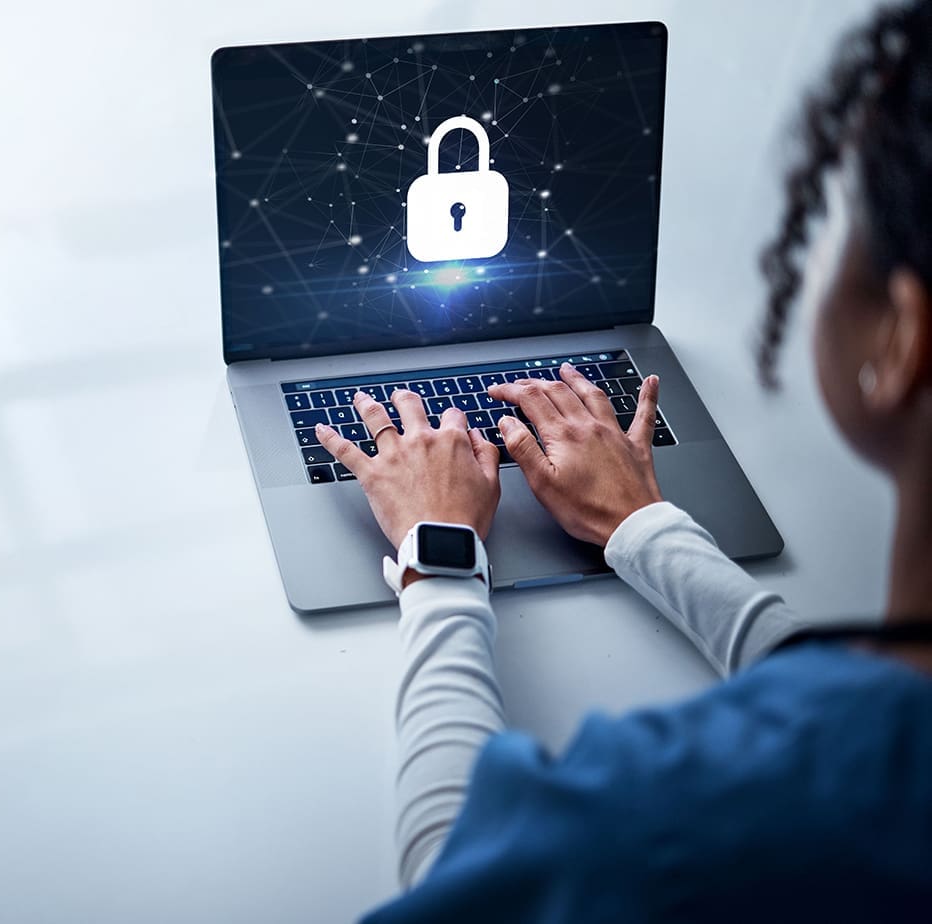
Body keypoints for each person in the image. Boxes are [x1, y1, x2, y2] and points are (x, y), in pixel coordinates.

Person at [320, 2, 932, 919]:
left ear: (905, 334)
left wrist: (439, 553)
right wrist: (646, 527)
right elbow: (861, 715)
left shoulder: (665, 824)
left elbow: (457, 878)